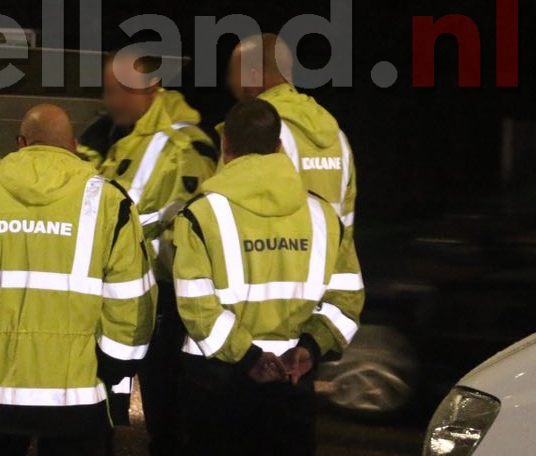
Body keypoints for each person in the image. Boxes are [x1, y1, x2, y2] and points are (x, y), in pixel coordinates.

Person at [0, 104, 157, 456]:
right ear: (74, 146)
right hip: (78, 394)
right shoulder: (110, 203)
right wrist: (111, 368)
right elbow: (132, 305)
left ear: (20, 143)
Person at [173, 99, 364, 456]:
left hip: (218, 382)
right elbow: (348, 301)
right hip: (292, 380)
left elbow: (197, 308)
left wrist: (249, 358)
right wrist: (310, 347)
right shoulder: (323, 215)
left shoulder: (201, 214)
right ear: (278, 147)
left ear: (226, 147)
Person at [78, 53, 216, 455]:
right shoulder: (108, 135)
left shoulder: (182, 146)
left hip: (160, 295)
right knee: (96, 398)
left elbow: (185, 228)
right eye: (107, 91)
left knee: (164, 408)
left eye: (121, 91)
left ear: (152, 88)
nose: (111, 100)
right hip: (112, 290)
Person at [226, 33, 358, 239]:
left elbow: (232, 215)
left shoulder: (253, 128)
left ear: (252, 76)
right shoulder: (336, 135)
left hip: (283, 269)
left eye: (234, 73)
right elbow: (346, 219)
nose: (230, 82)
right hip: (334, 267)